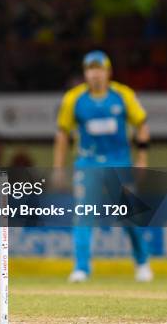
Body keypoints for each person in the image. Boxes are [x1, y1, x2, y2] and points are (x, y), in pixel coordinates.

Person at [53, 50, 153, 283]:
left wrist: (142, 159)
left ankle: (142, 263)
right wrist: (58, 168)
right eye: (90, 70)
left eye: (99, 69)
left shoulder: (123, 95)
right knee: (83, 216)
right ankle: (81, 268)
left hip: (119, 163)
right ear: (85, 74)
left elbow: (142, 125)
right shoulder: (73, 99)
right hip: (87, 164)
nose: (95, 74)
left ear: (108, 72)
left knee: (129, 216)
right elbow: (62, 134)